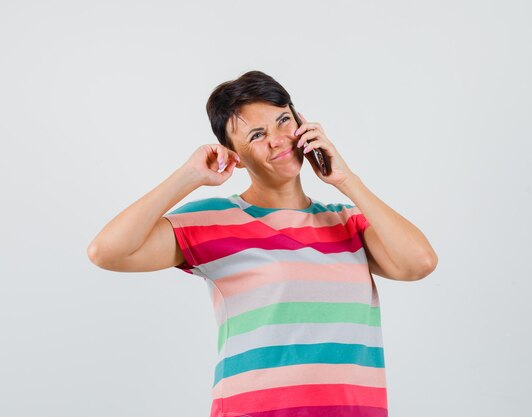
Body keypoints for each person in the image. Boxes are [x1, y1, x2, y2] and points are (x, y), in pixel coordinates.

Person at [87, 70, 438, 417]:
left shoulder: (347, 222)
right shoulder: (215, 219)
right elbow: (107, 251)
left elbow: (419, 262)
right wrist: (189, 176)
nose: (277, 139)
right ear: (234, 154)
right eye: (257, 134)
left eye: (283, 120)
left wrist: (347, 181)